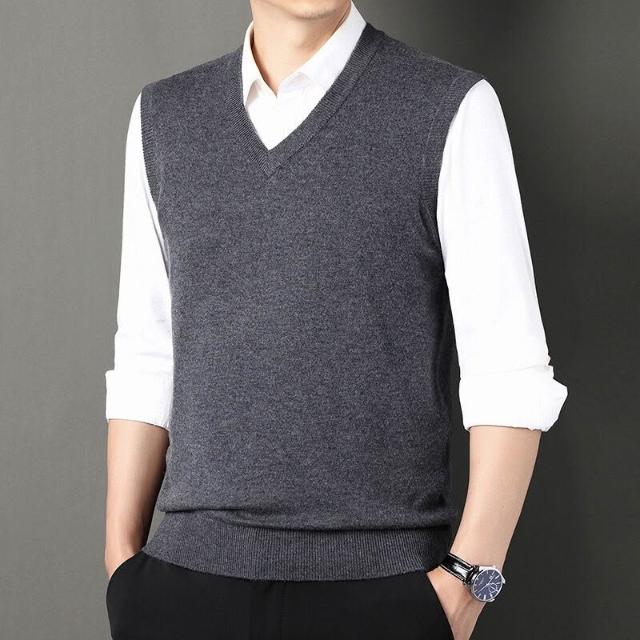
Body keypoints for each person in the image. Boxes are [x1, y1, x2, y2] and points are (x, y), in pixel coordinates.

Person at [103, 1, 568, 638]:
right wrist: (122, 562)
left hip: (382, 589)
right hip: (183, 586)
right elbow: (148, 355)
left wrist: (465, 586)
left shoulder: (451, 107)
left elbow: (510, 373)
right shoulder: (165, 117)